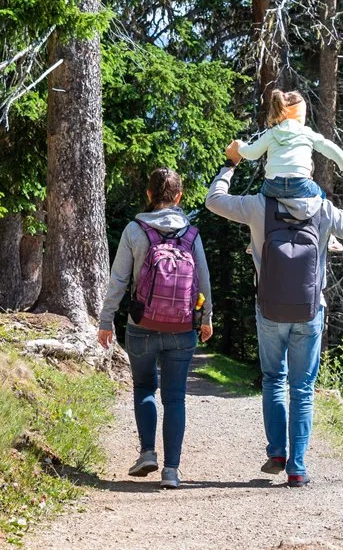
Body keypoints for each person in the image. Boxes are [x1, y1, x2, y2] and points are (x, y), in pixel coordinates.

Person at [205, 144, 343, 487]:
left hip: (268, 308)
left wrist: (231, 163)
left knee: (273, 379)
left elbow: (214, 200)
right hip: (310, 310)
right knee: (302, 388)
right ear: (308, 173)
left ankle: (276, 453)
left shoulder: (256, 205)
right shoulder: (324, 209)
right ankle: (297, 468)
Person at [98, 168, 214, 489]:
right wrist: (206, 318)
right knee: (175, 398)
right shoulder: (191, 234)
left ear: (148, 195)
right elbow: (203, 280)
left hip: (141, 325)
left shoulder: (135, 231)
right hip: (182, 328)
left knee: (144, 387)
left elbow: (118, 280)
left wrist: (107, 321)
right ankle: (172, 472)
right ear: (178, 197)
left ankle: (148, 452)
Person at [230, 89, 343, 252]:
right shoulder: (306, 132)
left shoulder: (271, 133)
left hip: (273, 185)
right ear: (299, 115)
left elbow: (251, 154)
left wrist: (240, 146)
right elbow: (329, 148)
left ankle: (255, 241)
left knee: (260, 205)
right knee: (321, 199)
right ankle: (330, 238)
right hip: (301, 184)